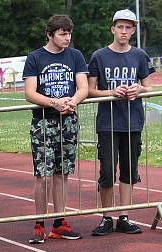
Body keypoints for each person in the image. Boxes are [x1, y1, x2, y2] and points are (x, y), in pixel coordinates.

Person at [23, 15, 89, 244]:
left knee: (63, 173)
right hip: (44, 121)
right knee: (43, 175)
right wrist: (54, 102)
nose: (67, 37)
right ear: (50, 34)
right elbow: (30, 92)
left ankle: (59, 223)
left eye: (69, 33)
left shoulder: (75, 56)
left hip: (68, 121)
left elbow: (83, 87)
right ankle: (39, 223)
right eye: (62, 33)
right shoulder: (35, 57)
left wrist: (72, 101)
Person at [88, 9, 154, 237]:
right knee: (107, 171)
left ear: (133, 31)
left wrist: (139, 89)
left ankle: (124, 216)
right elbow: (89, 90)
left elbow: (149, 86)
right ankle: (107, 217)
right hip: (108, 122)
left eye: (128, 27)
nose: (124, 31)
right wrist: (111, 92)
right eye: (120, 27)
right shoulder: (99, 55)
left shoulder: (139, 55)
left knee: (129, 170)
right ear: (112, 28)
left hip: (133, 121)